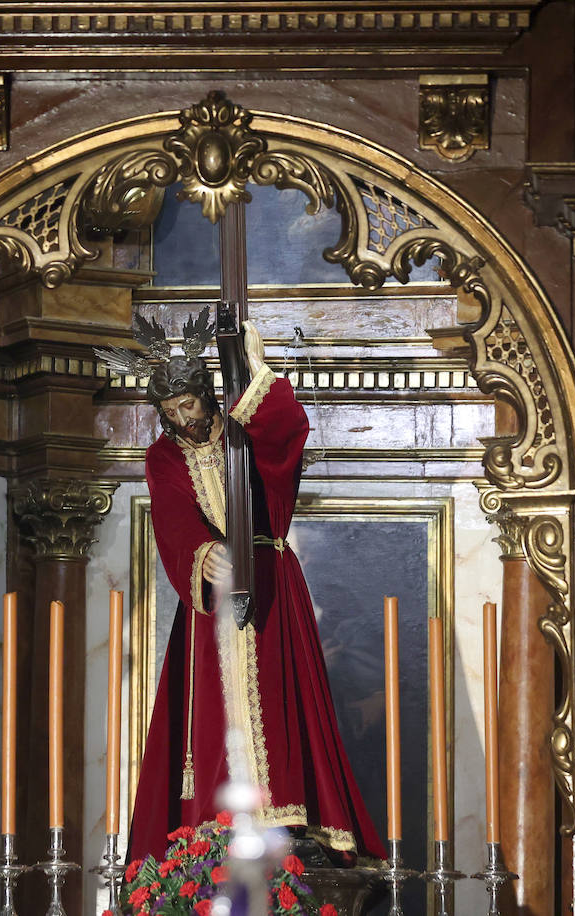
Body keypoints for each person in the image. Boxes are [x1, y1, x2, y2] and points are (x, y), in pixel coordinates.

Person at [100, 313, 384, 864]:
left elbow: (284, 438)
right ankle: (217, 828)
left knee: (282, 695)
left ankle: (289, 818)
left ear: (207, 396)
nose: (183, 419)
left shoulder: (241, 433)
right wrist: (202, 553)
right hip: (213, 600)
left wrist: (257, 369)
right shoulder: (164, 456)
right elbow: (174, 520)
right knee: (213, 708)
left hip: (269, 582)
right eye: (171, 411)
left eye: (190, 405)